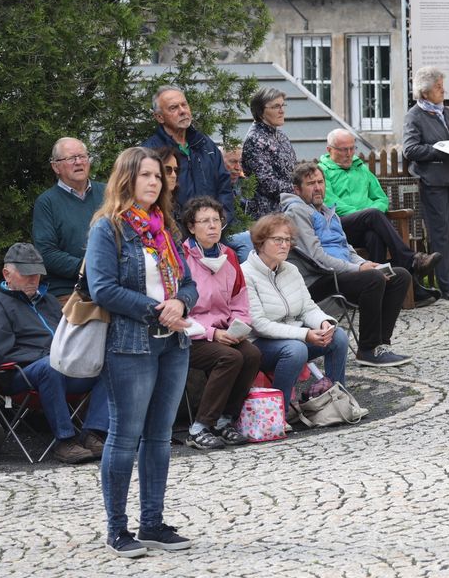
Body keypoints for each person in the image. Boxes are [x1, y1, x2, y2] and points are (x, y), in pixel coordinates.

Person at [86, 146, 197, 557]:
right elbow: (103, 288)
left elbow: (188, 282)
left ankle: (152, 523)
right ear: (126, 179)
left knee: (160, 438)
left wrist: (181, 304)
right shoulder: (109, 228)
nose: (154, 182)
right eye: (145, 175)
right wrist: (157, 310)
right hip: (131, 345)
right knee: (125, 436)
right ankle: (118, 529)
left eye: (158, 176)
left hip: (174, 343)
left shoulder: (164, 226)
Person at [0, 243, 108, 464]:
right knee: (50, 366)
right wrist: (51, 354)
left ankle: (93, 432)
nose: (34, 279)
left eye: (37, 274)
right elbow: (3, 355)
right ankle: (65, 440)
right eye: (27, 274)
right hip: (19, 375)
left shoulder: (48, 300)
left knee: (110, 363)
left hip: (62, 367)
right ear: (7, 274)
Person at [280, 162, 415, 367]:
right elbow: (316, 257)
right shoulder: (296, 212)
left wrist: (365, 263)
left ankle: (381, 345)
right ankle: (368, 349)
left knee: (400, 275)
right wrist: (359, 269)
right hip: (316, 281)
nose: (317, 187)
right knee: (373, 278)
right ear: (297, 190)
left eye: (320, 182)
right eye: (310, 184)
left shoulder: (327, 211)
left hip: (342, 275)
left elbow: (347, 248)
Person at [242, 213, 351, 418]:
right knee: (296, 349)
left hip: (295, 336)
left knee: (338, 337)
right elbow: (259, 324)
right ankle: (278, 413)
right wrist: (304, 334)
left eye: (287, 240)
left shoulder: (291, 269)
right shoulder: (246, 273)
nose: (284, 245)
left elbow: (307, 308)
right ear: (260, 242)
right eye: (277, 240)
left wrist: (324, 322)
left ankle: (338, 402)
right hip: (259, 343)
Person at [319, 128, 441, 304]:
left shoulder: (360, 168)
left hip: (367, 226)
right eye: (343, 150)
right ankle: (412, 260)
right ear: (329, 150)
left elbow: (381, 198)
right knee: (373, 215)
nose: (349, 154)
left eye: (352, 148)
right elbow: (332, 205)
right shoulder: (323, 171)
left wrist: (370, 211)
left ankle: (378, 294)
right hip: (339, 227)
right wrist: (366, 212)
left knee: (374, 236)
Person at [178, 197, 258, 449]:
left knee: (252, 354)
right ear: (191, 227)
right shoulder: (182, 257)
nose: (212, 226)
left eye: (216, 220)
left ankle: (225, 421)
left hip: (224, 331)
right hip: (190, 335)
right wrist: (213, 333)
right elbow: (178, 309)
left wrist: (239, 326)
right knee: (230, 358)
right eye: (204, 221)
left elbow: (239, 298)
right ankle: (199, 427)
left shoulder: (229, 256)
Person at [403, 67, 449, 300]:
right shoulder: (414, 116)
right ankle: (447, 284)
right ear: (424, 93)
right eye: (438, 87)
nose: (443, 91)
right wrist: (440, 150)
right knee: (440, 233)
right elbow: (410, 149)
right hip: (433, 181)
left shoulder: (447, 113)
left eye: (442, 86)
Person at [142, 85, 236, 225]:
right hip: (174, 236)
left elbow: (224, 187)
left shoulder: (205, 145)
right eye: (173, 108)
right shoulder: (151, 151)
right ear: (159, 117)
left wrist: (220, 221)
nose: (182, 111)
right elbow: (150, 198)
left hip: (211, 232)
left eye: (184, 105)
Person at [33, 137, 107, 304]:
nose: (78, 162)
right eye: (71, 158)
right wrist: (88, 268)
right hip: (70, 291)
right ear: (55, 166)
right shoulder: (47, 203)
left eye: (83, 156)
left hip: (109, 285)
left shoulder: (108, 193)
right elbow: (47, 253)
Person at [241, 87, 297, 219]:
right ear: (261, 112)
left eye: (283, 105)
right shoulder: (254, 139)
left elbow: (293, 170)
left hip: (289, 207)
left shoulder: (281, 135)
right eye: (276, 107)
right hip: (267, 215)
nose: (282, 111)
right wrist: (299, 189)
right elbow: (267, 184)